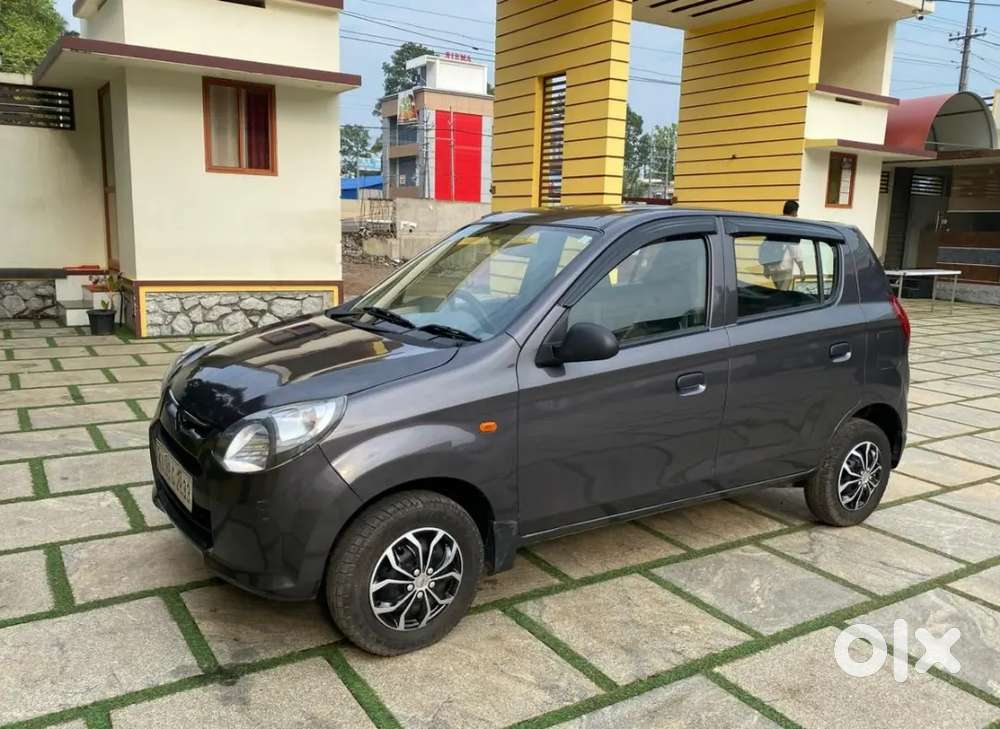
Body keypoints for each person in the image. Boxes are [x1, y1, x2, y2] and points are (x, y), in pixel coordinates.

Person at [758, 200, 805, 290]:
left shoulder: (775, 223)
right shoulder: (793, 225)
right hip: (785, 267)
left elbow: (764, 246)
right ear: (794, 212)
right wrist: (801, 269)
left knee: (779, 292)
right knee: (783, 294)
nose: (797, 215)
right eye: (796, 213)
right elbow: (794, 248)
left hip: (772, 267)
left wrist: (765, 267)